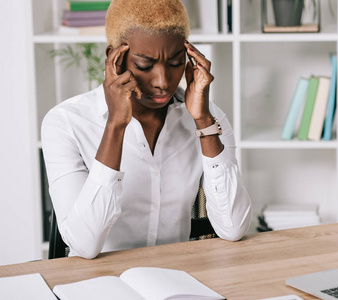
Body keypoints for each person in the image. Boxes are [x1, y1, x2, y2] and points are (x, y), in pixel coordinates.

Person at [41, 0, 252, 259]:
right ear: (114, 58)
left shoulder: (209, 118)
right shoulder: (66, 123)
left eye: (175, 62)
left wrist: (204, 122)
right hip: (98, 282)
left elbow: (233, 228)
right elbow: (84, 245)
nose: (163, 82)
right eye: (144, 65)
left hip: (178, 278)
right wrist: (116, 126)